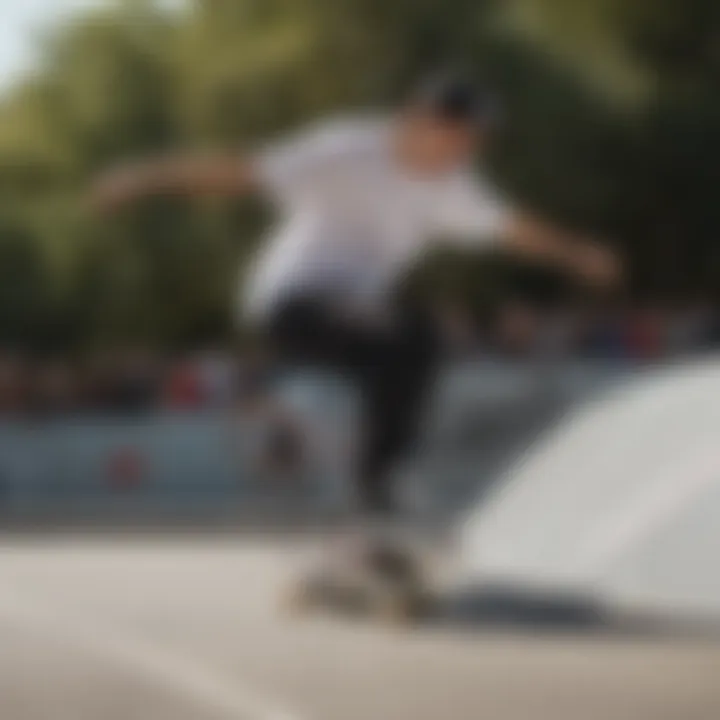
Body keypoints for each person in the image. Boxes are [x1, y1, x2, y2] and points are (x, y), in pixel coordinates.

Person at [92, 72, 621, 519]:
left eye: (473, 144)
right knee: (410, 338)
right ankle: (371, 478)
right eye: (455, 137)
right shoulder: (344, 148)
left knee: (418, 344)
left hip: (355, 316)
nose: (462, 152)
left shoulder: (455, 186)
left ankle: (365, 470)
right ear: (419, 119)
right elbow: (240, 173)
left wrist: (576, 253)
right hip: (290, 303)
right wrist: (141, 179)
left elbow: (511, 228)